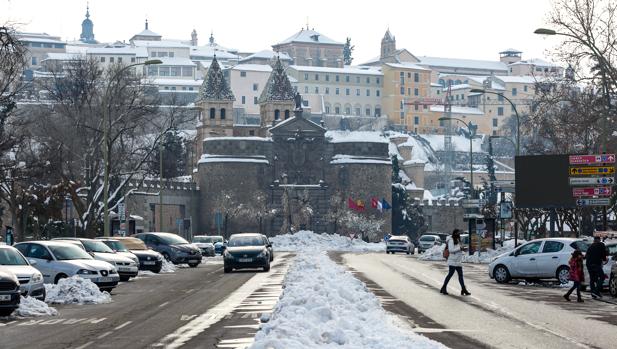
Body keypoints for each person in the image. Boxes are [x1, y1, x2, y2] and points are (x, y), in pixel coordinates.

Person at [440, 229, 471, 296]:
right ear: (454, 233)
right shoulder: (451, 240)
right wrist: (460, 249)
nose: (458, 235)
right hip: (453, 261)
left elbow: (458, 248)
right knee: (450, 274)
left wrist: (463, 249)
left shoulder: (458, 240)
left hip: (458, 261)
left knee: (460, 276)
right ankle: (444, 287)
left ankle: (463, 289)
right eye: (457, 233)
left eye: (459, 233)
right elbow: (451, 250)